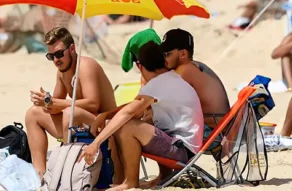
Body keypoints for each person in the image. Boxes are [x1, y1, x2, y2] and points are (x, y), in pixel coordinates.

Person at [80, 42, 203, 191]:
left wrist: (95, 143)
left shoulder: (157, 84)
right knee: (139, 121)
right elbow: (133, 108)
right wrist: (106, 115)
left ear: (140, 66)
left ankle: (130, 182)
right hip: (186, 146)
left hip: (182, 151)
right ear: (163, 61)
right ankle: (156, 177)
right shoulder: (170, 79)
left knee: (127, 126)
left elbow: (129, 112)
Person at [25, 26, 117, 175]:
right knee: (33, 114)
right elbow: (55, 106)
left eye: (59, 54)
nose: (56, 60)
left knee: (69, 113)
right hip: (79, 124)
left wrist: (53, 102)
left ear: (72, 49)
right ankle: (39, 173)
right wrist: (44, 102)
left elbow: (93, 104)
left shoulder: (85, 66)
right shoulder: (62, 72)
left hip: (104, 125)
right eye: (51, 56)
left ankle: (65, 169)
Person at [160, 29, 230, 130]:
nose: (164, 59)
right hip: (220, 129)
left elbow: (161, 101)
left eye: (167, 54)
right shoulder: (196, 67)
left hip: (214, 134)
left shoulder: (185, 70)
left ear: (183, 54)